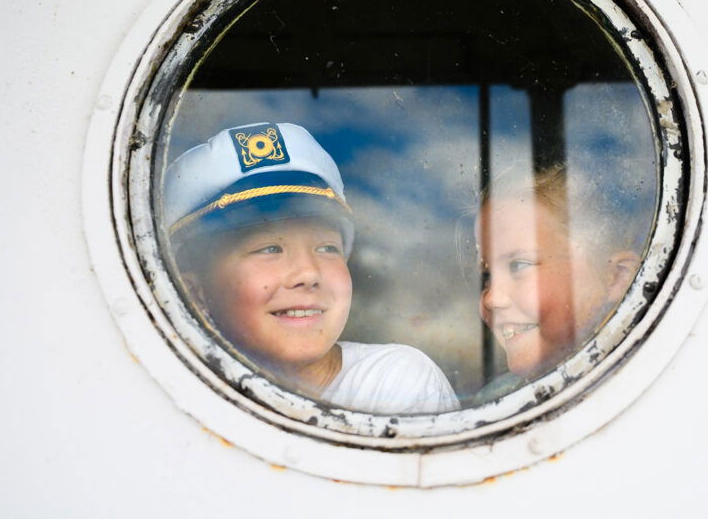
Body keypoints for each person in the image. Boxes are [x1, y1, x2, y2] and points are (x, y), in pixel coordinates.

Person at [163, 121, 459, 414]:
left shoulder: (393, 383)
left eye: (327, 248)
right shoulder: (168, 402)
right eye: (269, 249)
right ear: (195, 293)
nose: (308, 273)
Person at [473, 164, 643, 401]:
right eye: (487, 276)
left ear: (616, 277)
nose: (491, 298)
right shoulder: (493, 401)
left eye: (519, 265)